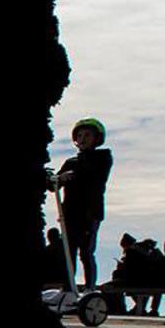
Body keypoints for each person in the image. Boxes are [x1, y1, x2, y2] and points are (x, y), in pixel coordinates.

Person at [54, 117, 113, 289]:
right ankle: (68, 287)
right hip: (69, 213)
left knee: (86, 252)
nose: (83, 139)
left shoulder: (102, 158)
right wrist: (59, 179)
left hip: (90, 213)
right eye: (79, 136)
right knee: (68, 251)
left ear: (97, 139)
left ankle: (89, 288)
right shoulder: (71, 162)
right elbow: (53, 185)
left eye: (87, 135)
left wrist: (71, 174)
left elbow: (94, 176)